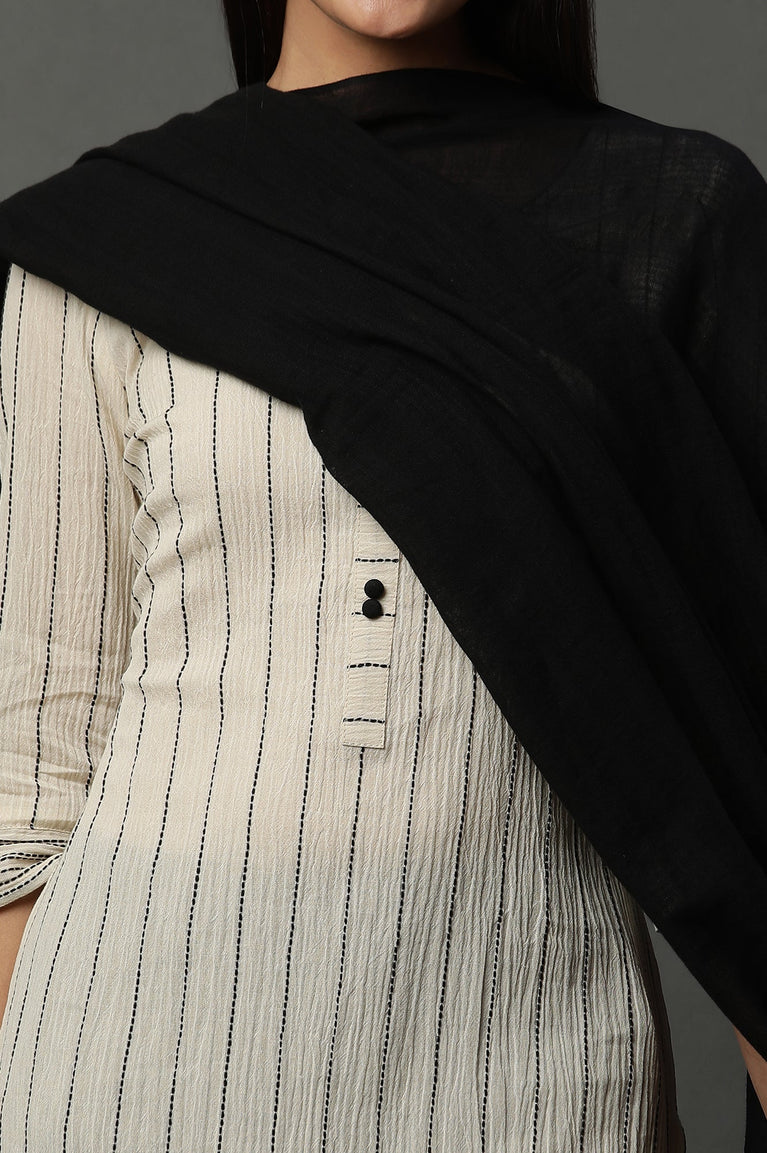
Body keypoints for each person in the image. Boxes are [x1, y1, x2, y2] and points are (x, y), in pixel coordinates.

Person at [0, 0, 765, 1148]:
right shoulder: (107, 235)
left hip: (538, 1061)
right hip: (131, 1058)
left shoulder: (674, 213)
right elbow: (24, 783)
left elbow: (750, 759)